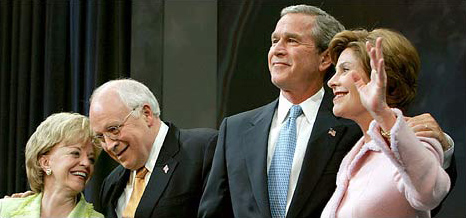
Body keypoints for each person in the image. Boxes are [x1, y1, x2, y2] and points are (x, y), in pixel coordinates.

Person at [198, 4, 454, 218]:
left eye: (292, 40)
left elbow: (425, 194)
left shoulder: (357, 122)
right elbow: (214, 210)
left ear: (324, 59)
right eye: (274, 40)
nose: (277, 49)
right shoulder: (235, 128)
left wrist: (443, 147)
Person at [321, 28, 450, 217]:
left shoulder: (415, 138)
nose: (331, 81)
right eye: (335, 71)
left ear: (382, 78)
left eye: (345, 70)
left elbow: (429, 193)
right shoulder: (353, 157)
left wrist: (382, 113)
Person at [89, 79, 217, 218]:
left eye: (113, 129)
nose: (109, 145)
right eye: (101, 137)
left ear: (146, 114)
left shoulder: (203, 149)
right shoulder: (111, 184)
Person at [0, 112, 103, 217]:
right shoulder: (6, 210)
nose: (86, 163)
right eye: (75, 153)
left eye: (91, 159)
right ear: (45, 162)